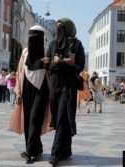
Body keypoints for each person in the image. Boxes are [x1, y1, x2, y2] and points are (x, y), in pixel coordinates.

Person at [9, 25, 52, 162]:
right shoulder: (25, 52)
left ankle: (29, 151)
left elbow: (51, 71)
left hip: (42, 89)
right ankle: (35, 148)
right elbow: (20, 72)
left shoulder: (47, 52)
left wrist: (48, 64)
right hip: (27, 89)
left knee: (35, 119)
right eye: (30, 36)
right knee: (28, 120)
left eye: (36, 36)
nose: (32, 39)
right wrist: (18, 91)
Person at [45, 18, 85, 166]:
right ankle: (66, 150)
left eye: (62, 27)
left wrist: (59, 62)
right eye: (57, 27)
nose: (59, 30)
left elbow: (79, 66)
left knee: (63, 115)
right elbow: (49, 65)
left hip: (69, 84)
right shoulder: (53, 44)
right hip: (55, 84)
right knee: (58, 115)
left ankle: (55, 154)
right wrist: (65, 62)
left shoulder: (77, 44)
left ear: (68, 28)